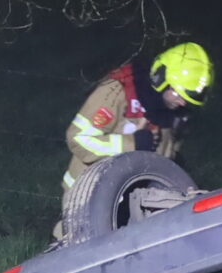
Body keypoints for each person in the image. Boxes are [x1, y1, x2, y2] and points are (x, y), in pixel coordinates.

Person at [61, 41, 212, 210]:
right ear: (161, 79)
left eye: (189, 97)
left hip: (136, 201)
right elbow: (78, 138)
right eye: (178, 93)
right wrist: (132, 144)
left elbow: (169, 154)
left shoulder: (171, 112)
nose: (182, 102)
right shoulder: (117, 91)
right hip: (88, 196)